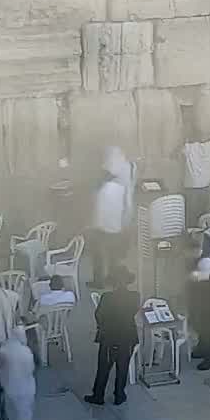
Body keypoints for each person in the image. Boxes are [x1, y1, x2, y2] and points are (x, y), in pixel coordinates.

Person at [84, 267, 139, 406]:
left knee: (103, 367)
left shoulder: (106, 298)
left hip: (110, 338)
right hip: (127, 337)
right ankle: (119, 394)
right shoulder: (135, 296)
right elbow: (134, 312)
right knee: (123, 367)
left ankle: (98, 395)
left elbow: (99, 315)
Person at [91, 148, 134, 281]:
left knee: (98, 253)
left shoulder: (101, 189)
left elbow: (97, 210)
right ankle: (112, 278)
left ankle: (99, 280)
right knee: (113, 254)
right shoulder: (120, 189)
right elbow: (125, 206)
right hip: (115, 227)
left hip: (102, 227)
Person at [0, 326, 36, 420]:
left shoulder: (4, 351)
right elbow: (32, 368)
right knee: (24, 418)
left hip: (11, 391)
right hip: (27, 389)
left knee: (11, 419)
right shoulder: (27, 351)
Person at [181, 103, 210, 223]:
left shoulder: (188, 148)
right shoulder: (209, 147)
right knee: (203, 214)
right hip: (205, 185)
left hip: (191, 186)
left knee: (190, 215)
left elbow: (178, 149)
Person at [188, 257, 210, 370]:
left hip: (208, 299)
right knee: (203, 326)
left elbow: (207, 272)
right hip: (203, 293)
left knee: (208, 328)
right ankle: (202, 348)